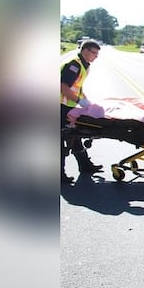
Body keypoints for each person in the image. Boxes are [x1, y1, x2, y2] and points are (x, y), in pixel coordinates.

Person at [60, 39, 103, 183]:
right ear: (85, 51)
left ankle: (85, 166)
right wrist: (79, 101)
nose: (96, 56)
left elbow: (77, 87)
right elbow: (63, 87)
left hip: (67, 105)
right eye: (94, 53)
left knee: (74, 135)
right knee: (60, 140)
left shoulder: (85, 65)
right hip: (59, 105)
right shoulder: (74, 65)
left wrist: (85, 100)